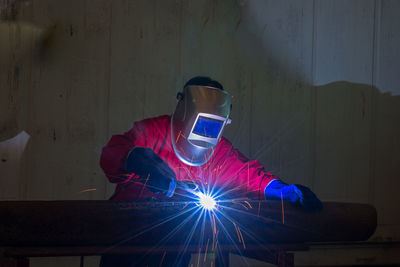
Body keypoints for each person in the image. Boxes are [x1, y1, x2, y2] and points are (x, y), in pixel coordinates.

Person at [99, 76, 322, 266]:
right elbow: (111, 154)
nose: (206, 135)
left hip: (175, 246)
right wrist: (135, 158)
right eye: (203, 124)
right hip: (128, 240)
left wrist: (281, 189)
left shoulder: (219, 150)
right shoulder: (152, 132)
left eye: (214, 126)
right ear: (186, 110)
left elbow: (249, 176)